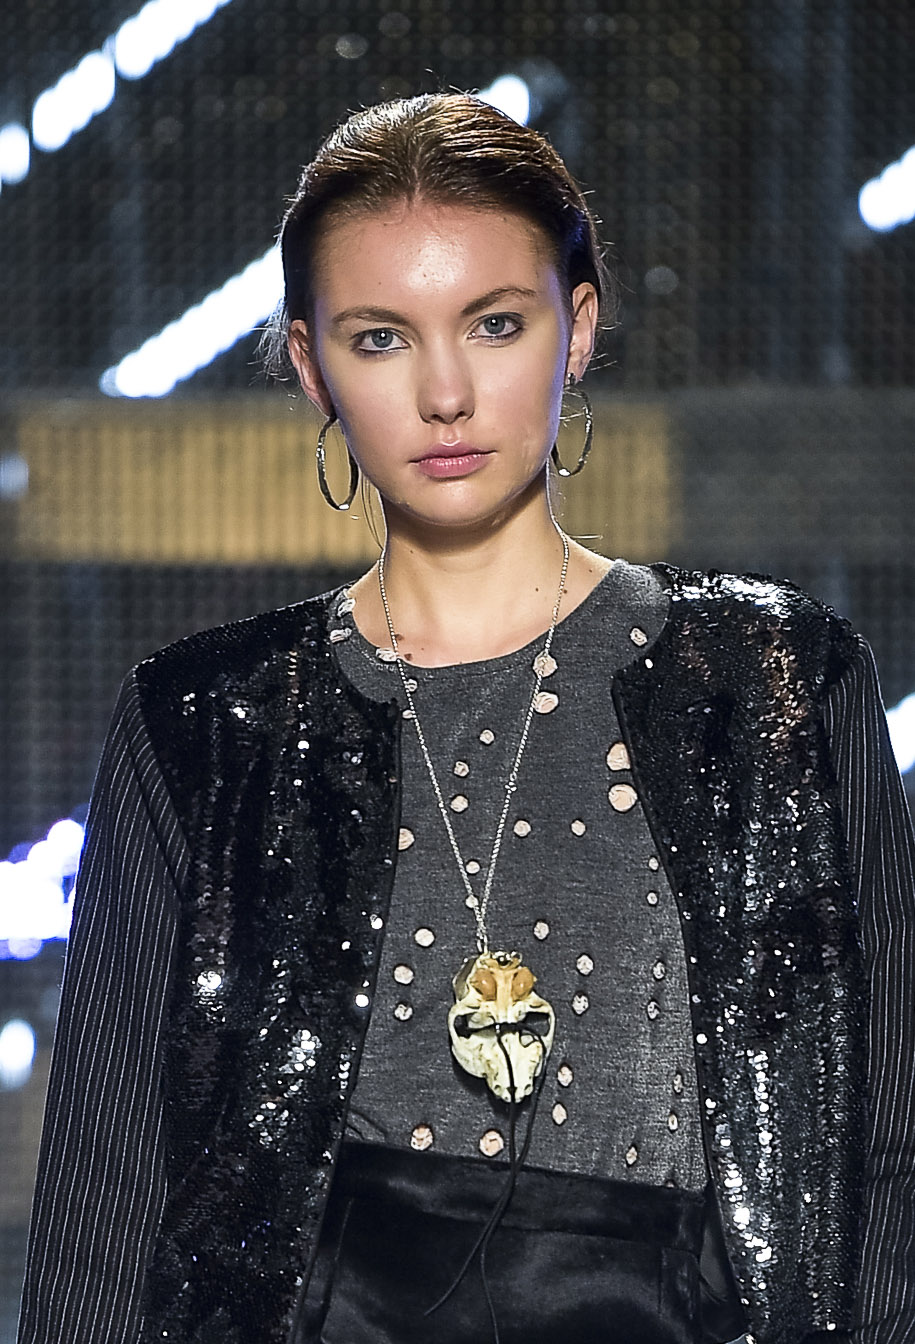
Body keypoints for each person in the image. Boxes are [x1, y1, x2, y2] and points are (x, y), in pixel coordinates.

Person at [15, 92, 915, 1344]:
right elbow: (105, 1206)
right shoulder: (208, 723)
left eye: (495, 323)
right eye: (381, 338)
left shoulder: (776, 682)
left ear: (578, 328)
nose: (446, 393)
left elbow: (885, 1155)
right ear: (313, 366)